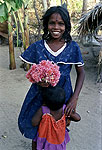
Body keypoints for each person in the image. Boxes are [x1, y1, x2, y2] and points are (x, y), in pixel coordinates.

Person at [18, 6, 85, 150]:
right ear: (46, 25)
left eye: (61, 23)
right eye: (52, 23)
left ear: (66, 26)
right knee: (36, 126)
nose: (56, 27)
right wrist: (38, 80)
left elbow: (81, 73)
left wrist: (74, 98)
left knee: (59, 126)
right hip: (38, 95)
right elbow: (32, 71)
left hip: (62, 97)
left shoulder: (73, 47)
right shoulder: (37, 47)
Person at [32, 85, 81, 150]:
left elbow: (34, 123)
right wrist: (71, 112)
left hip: (44, 137)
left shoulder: (43, 110)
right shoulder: (64, 109)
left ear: (45, 103)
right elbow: (78, 118)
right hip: (58, 140)